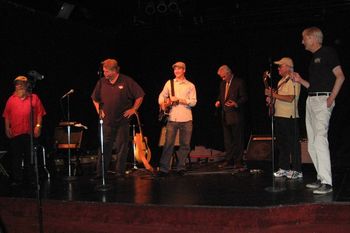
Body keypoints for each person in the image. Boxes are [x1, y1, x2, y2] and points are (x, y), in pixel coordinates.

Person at [293, 27, 345, 194]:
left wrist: (331, 97)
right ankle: (321, 178)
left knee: (320, 140)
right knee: (312, 145)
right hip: (311, 99)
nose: (302, 42)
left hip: (323, 100)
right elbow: (312, 86)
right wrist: (300, 80)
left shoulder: (328, 52)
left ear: (312, 38)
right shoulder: (313, 58)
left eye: (304, 38)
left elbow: (340, 76)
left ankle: (327, 183)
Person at [91, 58, 145, 178]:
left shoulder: (126, 81)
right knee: (104, 147)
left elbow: (140, 95)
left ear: (114, 70)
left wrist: (134, 109)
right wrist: (99, 110)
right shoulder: (101, 82)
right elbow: (94, 98)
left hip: (122, 121)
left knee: (122, 147)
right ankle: (101, 173)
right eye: (104, 71)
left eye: (106, 72)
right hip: (106, 121)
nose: (104, 74)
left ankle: (119, 173)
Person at [2, 76, 46, 185]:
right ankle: (17, 180)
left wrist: (38, 126)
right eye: (17, 84)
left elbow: (40, 113)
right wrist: (7, 128)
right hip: (16, 133)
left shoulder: (34, 98)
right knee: (16, 157)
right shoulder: (11, 99)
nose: (19, 86)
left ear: (27, 85)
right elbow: (6, 116)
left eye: (21, 83)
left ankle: (31, 179)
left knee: (30, 157)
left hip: (29, 133)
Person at [265, 57, 302, 179]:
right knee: (282, 144)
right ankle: (284, 168)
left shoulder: (293, 78)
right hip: (279, 115)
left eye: (281, 66)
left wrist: (273, 94)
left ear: (287, 66)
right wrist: (272, 99)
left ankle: (297, 170)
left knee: (293, 145)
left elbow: (290, 98)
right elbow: (279, 97)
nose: (278, 68)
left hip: (289, 116)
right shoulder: (281, 81)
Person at [157, 61, 197, 176]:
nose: (176, 71)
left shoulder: (190, 85)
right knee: (168, 144)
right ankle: (164, 169)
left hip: (186, 119)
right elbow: (161, 95)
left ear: (184, 70)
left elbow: (194, 102)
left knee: (185, 145)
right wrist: (162, 103)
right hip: (172, 119)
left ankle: (181, 167)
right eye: (175, 69)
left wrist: (180, 100)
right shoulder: (169, 83)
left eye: (179, 69)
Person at [215, 65, 248, 170]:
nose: (223, 79)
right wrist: (218, 101)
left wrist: (236, 103)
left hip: (236, 115)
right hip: (225, 115)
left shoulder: (239, 82)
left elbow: (244, 97)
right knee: (228, 140)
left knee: (237, 139)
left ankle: (238, 161)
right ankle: (229, 160)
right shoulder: (222, 83)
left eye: (224, 76)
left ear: (229, 73)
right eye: (221, 77)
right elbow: (221, 96)